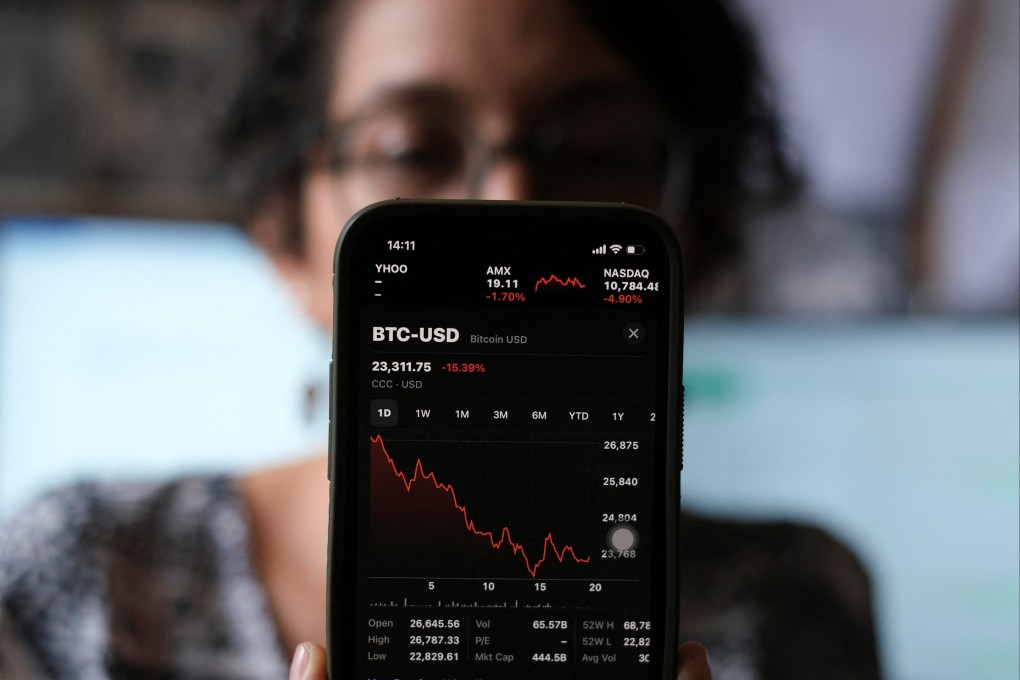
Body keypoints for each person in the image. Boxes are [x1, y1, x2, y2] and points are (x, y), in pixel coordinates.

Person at [0, 0, 881, 678]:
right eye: (414, 149)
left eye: (599, 153)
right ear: (285, 235)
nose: (510, 207)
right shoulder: (79, 577)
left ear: (703, 227)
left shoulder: (791, 601)